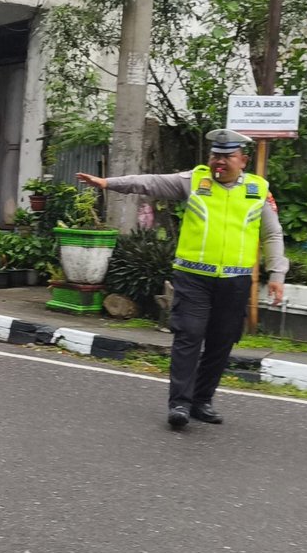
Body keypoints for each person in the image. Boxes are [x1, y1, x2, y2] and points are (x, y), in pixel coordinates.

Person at [76, 128, 289, 430]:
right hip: (193, 277)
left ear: (243, 160)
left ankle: (202, 401)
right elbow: (149, 182)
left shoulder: (258, 190)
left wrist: (277, 273)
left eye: (227, 156)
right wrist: (108, 183)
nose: (219, 162)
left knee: (221, 342)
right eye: (215, 155)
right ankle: (179, 403)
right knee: (189, 335)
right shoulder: (193, 181)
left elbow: (272, 233)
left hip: (235, 281)